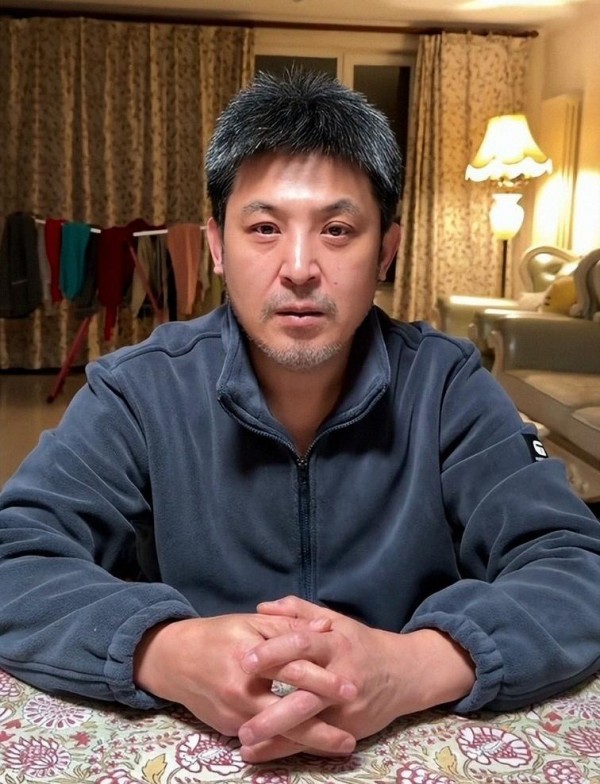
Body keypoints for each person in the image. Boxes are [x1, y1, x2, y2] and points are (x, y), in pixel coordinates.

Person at [1, 70, 600, 765]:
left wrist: (414, 666)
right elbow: (17, 555)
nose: (299, 267)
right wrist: (164, 650)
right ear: (217, 246)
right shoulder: (138, 390)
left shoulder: (447, 386)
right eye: (263, 228)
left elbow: (572, 563)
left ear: (387, 251)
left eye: (338, 230)